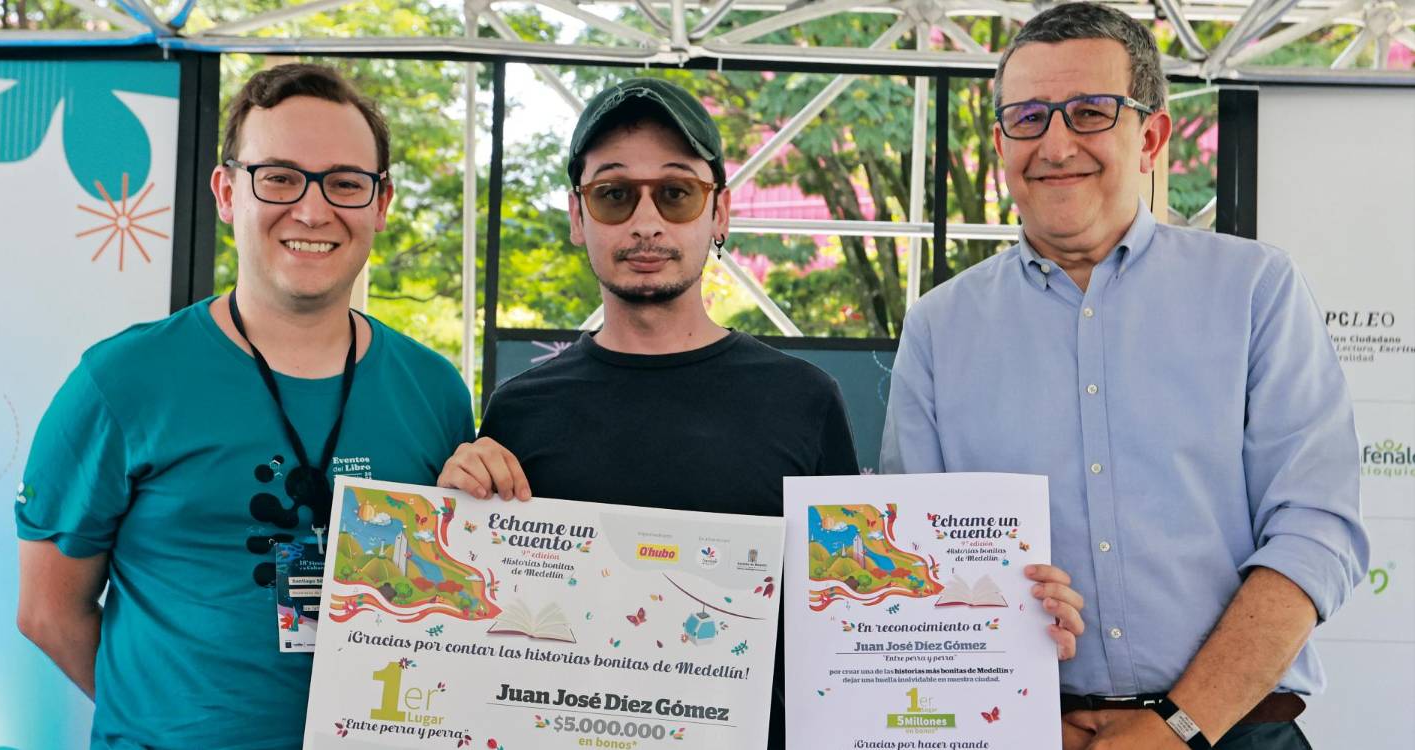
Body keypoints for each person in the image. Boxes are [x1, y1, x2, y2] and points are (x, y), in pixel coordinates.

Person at [438, 77, 1085, 749]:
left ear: (720, 215)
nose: (646, 220)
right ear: (578, 217)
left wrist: (1005, 624)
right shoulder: (520, 409)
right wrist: (455, 512)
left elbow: (854, 606)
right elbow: (483, 627)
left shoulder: (802, 399)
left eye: (677, 192)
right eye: (613, 194)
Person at [880, 4, 1369, 749]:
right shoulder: (939, 329)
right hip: (1026, 733)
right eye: (1028, 117)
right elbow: (916, 570)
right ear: (1001, 141)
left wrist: (1176, 725)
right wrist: (1032, 721)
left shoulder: (1255, 291)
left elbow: (1313, 536)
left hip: (1236, 731)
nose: (1055, 142)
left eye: (1088, 112)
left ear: (1151, 136)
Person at [14, 64, 474, 749]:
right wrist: (161, 723)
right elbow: (48, 612)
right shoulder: (121, 381)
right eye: (280, 177)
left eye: (346, 183)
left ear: (380, 204)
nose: (314, 210)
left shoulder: (435, 391)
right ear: (228, 193)